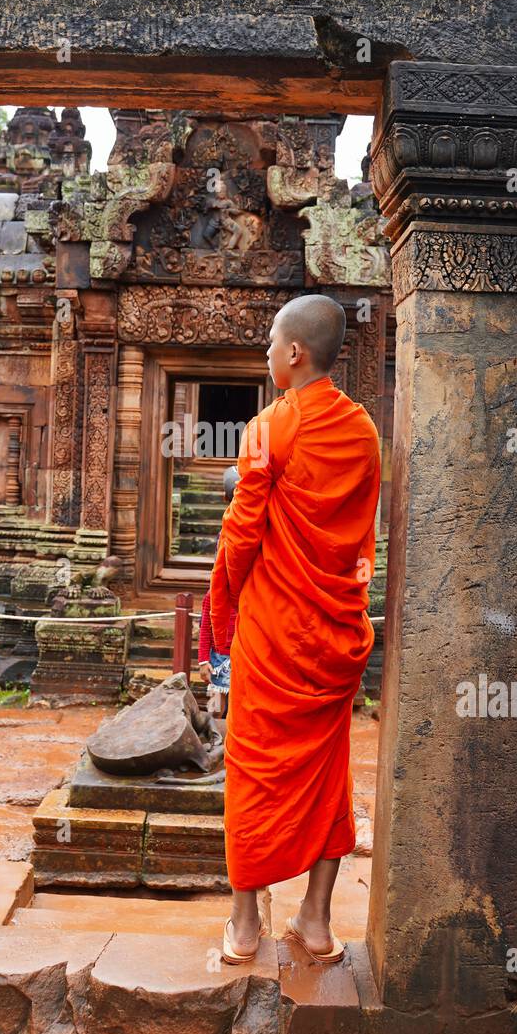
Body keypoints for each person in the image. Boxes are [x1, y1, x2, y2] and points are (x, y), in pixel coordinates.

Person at [210, 293, 380, 966]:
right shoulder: (363, 429)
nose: (265, 353)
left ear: (294, 353)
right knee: (327, 774)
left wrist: (222, 610)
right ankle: (315, 921)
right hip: (335, 630)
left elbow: (245, 529)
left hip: (276, 632)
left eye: (269, 343)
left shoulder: (268, 427)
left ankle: (246, 925)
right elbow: (353, 527)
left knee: (250, 769)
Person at [197, 467, 240, 717]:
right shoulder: (213, 597)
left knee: (238, 710)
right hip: (220, 656)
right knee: (216, 710)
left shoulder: (249, 596)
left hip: (243, 652)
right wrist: (204, 660)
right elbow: (205, 626)